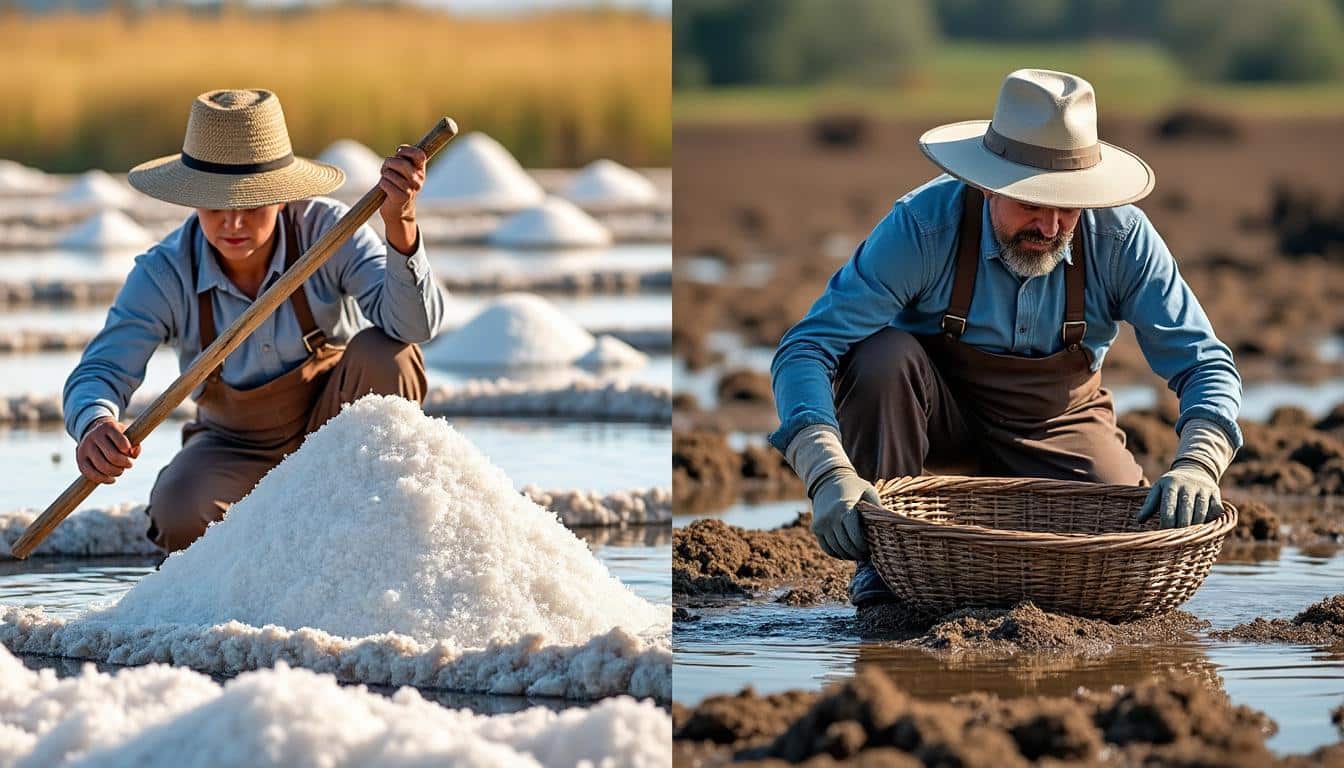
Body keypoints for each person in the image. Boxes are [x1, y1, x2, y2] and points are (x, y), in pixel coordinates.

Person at [769, 69, 1242, 609]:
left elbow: (1206, 364)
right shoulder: (923, 229)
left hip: (1058, 426)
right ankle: (884, 567)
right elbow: (807, 347)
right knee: (880, 357)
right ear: (987, 183)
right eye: (1032, 204)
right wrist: (826, 472)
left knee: (1119, 535)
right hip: (931, 420)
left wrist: (1199, 463)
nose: (1049, 226)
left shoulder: (1121, 239)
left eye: (1067, 206)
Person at [62, 88, 446, 552]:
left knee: (389, 354)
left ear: (282, 197)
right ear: (191, 201)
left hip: (341, 434)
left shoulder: (329, 231)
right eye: (215, 205)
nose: (233, 224)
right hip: (233, 449)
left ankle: (377, 537)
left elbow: (415, 327)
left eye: (251, 204)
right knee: (179, 510)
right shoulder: (164, 273)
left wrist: (400, 226)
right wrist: (96, 423)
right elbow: (101, 372)